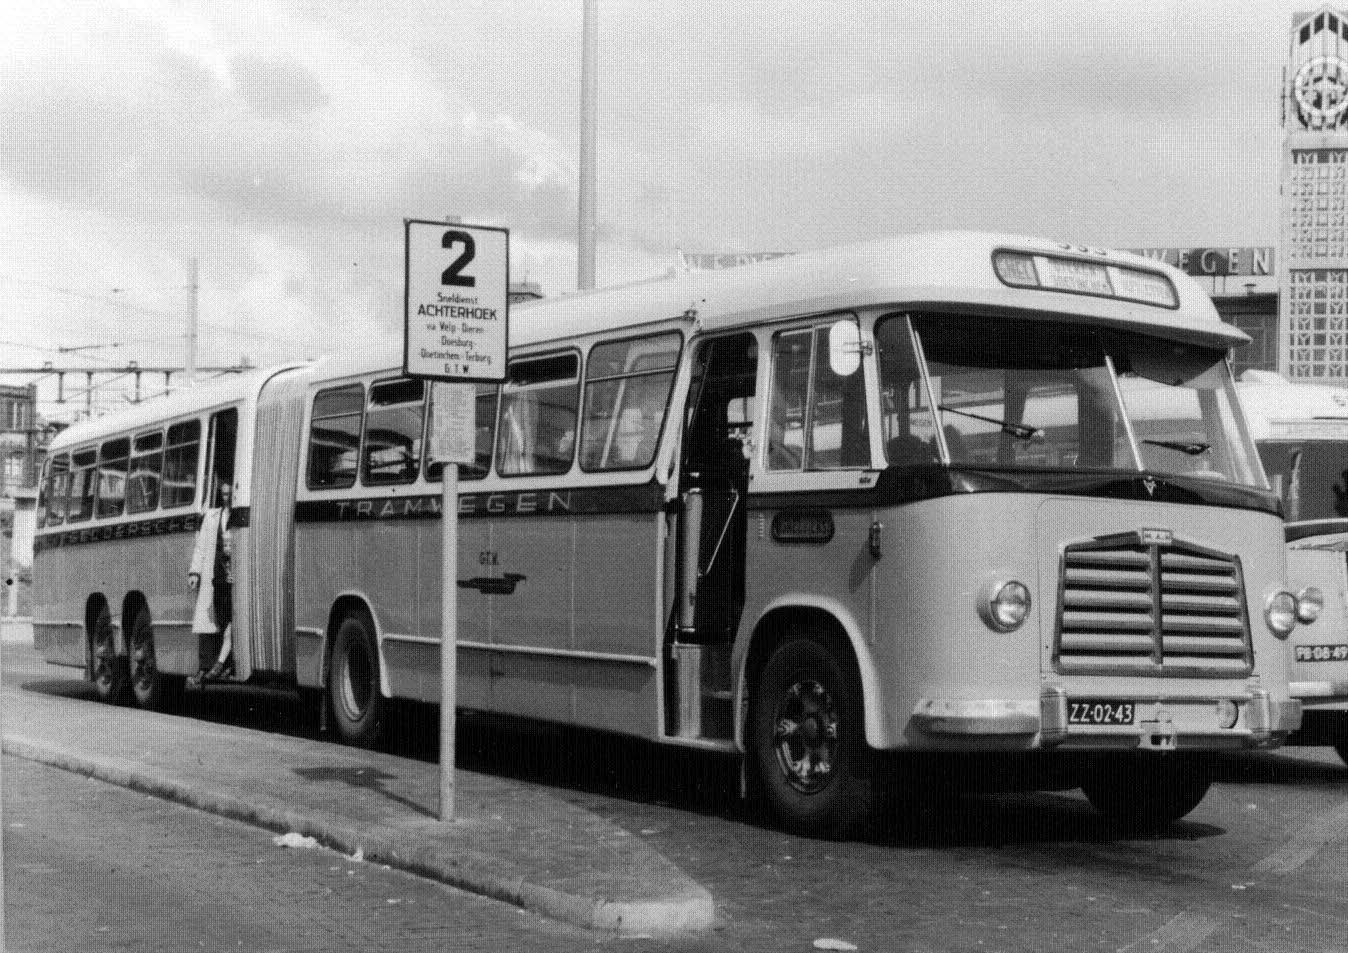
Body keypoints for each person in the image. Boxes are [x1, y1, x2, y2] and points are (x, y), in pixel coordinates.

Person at [187, 480, 234, 687]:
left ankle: (225, 664)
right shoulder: (212, 516)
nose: (227, 498)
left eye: (230, 494)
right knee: (210, 623)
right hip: (213, 575)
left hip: (231, 576)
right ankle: (206, 668)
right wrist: (195, 571)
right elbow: (201, 547)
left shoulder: (239, 516)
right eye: (223, 494)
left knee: (227, 622)